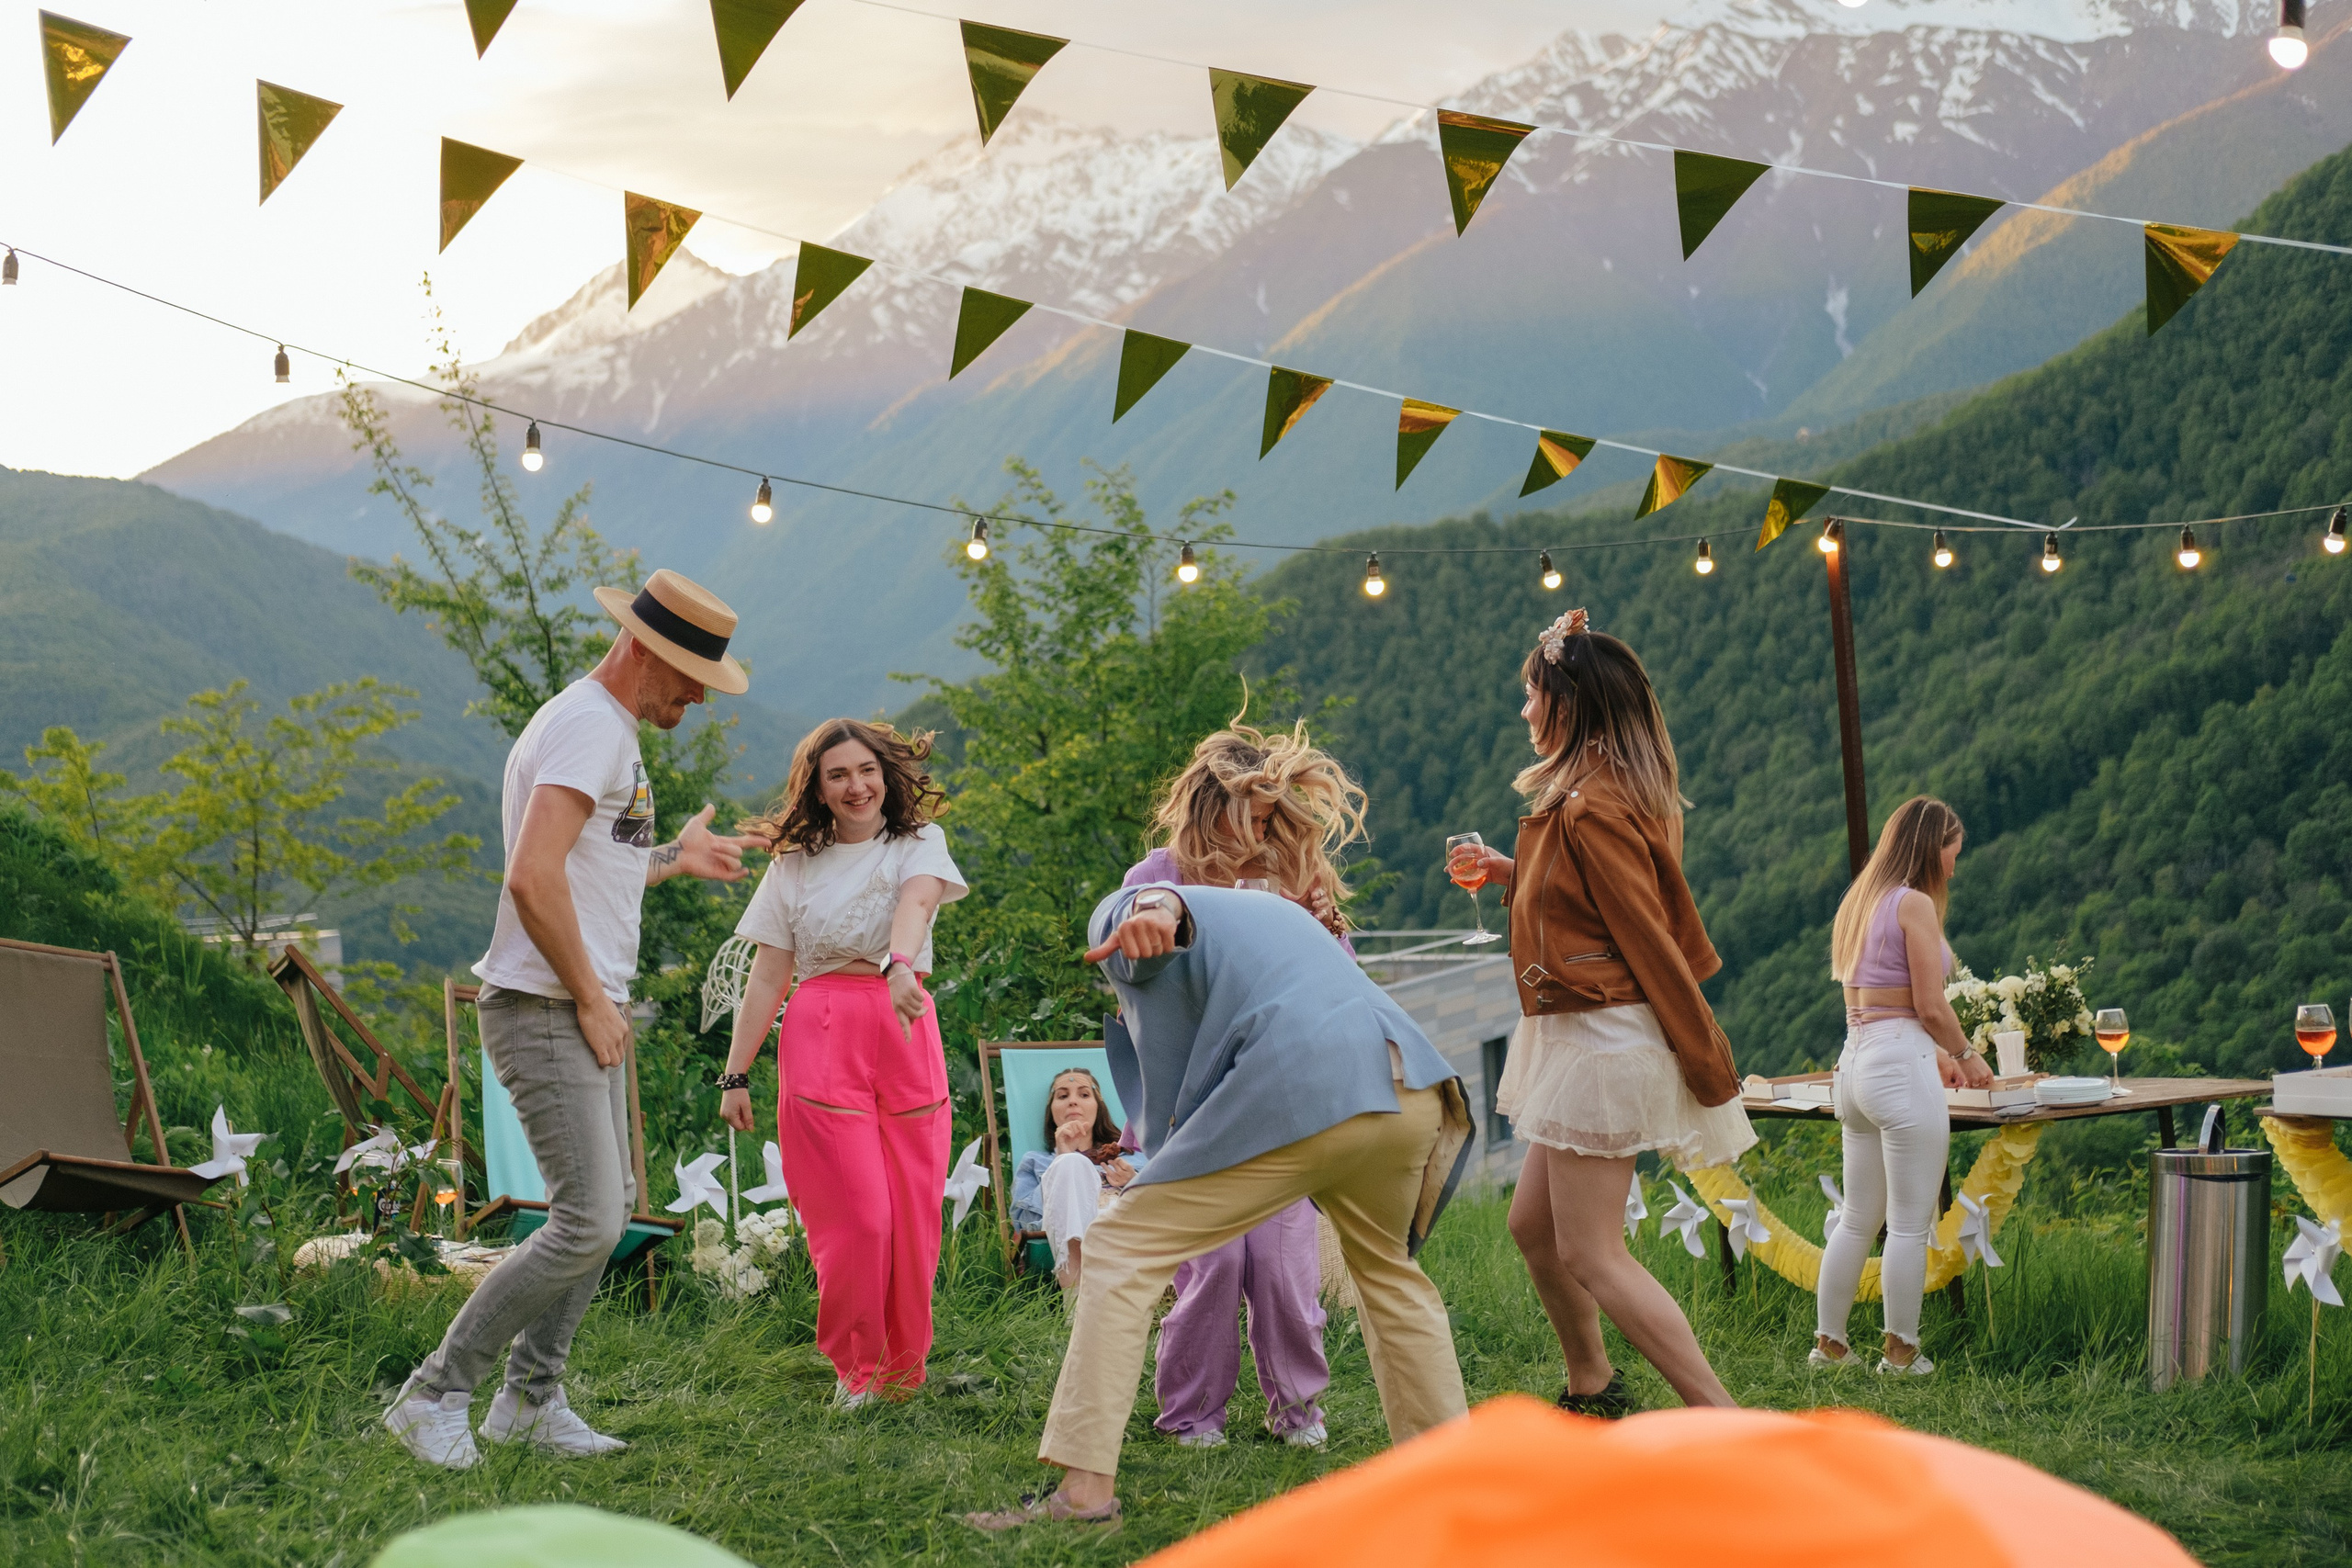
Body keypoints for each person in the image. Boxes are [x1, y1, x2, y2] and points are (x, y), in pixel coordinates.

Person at [384, 570, 763, 1470]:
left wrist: (674, 856)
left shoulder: (606, 729)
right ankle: (434, 1393)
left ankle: (531, 1400)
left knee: (604, 1210)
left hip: (581, 1005)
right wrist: (593, 999)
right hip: (550, 1006)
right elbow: (531, 873)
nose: (696, 697)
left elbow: (591, 864)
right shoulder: (591, 725)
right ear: (643, 648)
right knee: (588, 1221)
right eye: (688, 676)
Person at [965, 881, 1475, 1533]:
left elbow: (1157, 906)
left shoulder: (1149, 909)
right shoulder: (1273, 911)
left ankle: (1084, 1497)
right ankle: (1457, 1490)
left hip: (1307, 1083)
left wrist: (1146, 914)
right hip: (1408, 1081)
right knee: (1390, 1276)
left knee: (1121, 1245)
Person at [1449, 606, 1752, 1418]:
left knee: (1590, 1247)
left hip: (1601, 1037)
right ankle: (1592, 1382)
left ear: (1569, 704)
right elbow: (1589, 903)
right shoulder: (1588, 792)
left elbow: (1647, 935)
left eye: (1533, 694)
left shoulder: (1591, 804)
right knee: (1533, 1228)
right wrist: (1515, 871)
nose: (1524, 711)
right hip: (1574, 1031)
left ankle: (1723, 1418)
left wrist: (1703, 1054)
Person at [1125, 722, 1362, 1452]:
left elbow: (1343, 983)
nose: (1260, 830)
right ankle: (1192, 1413)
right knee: (1215, 1260)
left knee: (1285, 1267)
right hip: (1190, 1103)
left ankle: (1298, 1407)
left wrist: (1325, 934)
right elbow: (1137, 977)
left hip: (1277, 1093)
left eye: (1269, 816)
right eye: (1248, 816)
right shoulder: (1158, 874)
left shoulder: (1295, 874)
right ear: (1207, 807)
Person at [716, 718, 966, 1408]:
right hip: (823, 1029)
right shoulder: (794, 865)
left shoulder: (920, 844)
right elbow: (768, 976)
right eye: (838, 775)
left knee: (913, 1215)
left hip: (905, 1020)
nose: (857, 785)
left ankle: (902, 1373)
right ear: (819, 790)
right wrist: (736, 1073)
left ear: (886, 774)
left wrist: (901, 966)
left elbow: (916, 903)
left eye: (866, 770)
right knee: (860, 1218)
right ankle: (856, 1369)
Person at [1815, 795, 1992, 1377]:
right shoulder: (1914, 904)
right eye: (1952, 852)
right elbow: (1928, 1004)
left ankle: (1831, 1348)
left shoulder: (1861, 901)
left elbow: (1880, 1004)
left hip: (1855, 1063)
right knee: (1911, 1222)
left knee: (1859, 1217)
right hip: (1899, 1067)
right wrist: (1966, 1057)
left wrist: (1940, 1053)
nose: (1954, 865)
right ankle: (1901, 1352)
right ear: (1930, 848)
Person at [1008, 1066, 1147, 1290]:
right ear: (1051, 1111)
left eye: (1084, 1094)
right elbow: (1024, 1225)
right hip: (1069, 1238)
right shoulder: (1036, 1163)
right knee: (1071, 1163)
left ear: (1098, 1107)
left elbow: (1166, 1206)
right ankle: (1077, 1302)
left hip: (1126, 1231)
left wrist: (1135, 1183)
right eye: (1063, 1096)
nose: (1073, 1102)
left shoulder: (1135, 1159)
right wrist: (1062, 1159)